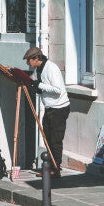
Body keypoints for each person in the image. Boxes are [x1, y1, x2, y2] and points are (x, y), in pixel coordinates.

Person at [23, 47, 70, 178]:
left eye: (29, 61)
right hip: (50, 108)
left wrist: (39, 85)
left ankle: (56, 169)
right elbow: (34, 82)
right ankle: (49, 167)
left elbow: (57, 90)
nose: (28, 64)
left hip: (59, 108)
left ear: (36, 58)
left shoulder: (51, 68)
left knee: (55, 140)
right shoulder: (38, 69)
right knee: (47, 138)